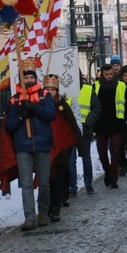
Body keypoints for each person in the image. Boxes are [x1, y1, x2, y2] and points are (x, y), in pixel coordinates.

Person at [4, 59, 57, 230]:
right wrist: (21, 116)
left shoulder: (44, 95)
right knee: (26, 183)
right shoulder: (14, 100)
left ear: (35, 78)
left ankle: (43, 212)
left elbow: (51, 115)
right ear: (21, 79)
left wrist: (34, 108)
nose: (29, 80)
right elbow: (9, 125)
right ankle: (29, 217)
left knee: (44, 182)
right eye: (25, 78)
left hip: (42, 143)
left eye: (31, 77)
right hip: (23, 145)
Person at [43, 74, 85, 223]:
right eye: (47, 89)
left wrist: (81, 146)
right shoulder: (40, 104)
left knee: (59, 178)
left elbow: (72, 124)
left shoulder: (62, 104)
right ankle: (47, 208)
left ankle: (56, 209)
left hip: (61, 149)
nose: (49, 92)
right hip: (46, 147)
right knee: (47, 179)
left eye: (52, 89)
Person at [86, 63, 127, 189]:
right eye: (107, 74)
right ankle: (108, 172)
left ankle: (114, 177)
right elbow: (92, 105)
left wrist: (124, 118)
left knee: (115, 150)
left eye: (111, 74)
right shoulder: (95, 86)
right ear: (101, 74)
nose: (109, 76)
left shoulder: (121, 85)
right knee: (101, 152)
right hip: (100, 124)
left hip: (116, 123)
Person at [73, 75, 99, 195]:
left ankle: (88, 184)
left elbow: (96, 108)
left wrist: (89, 121)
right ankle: (72, 187)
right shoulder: (66, 92)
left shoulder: (88, 89)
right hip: (71, 129)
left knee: (86, 158)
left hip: (85, 129)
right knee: (70, 160)